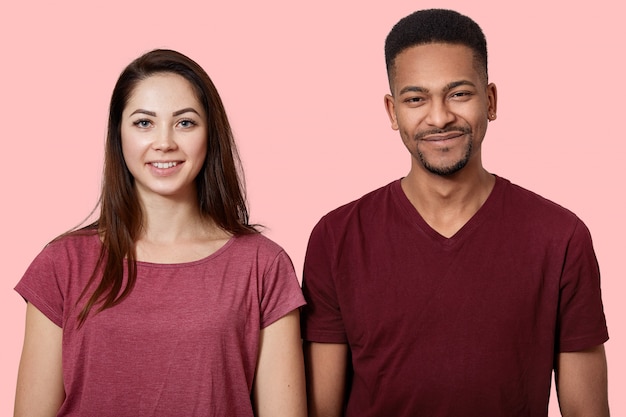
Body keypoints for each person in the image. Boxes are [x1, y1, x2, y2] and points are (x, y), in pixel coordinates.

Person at [300, 9, 609, 417]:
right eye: (416, 99)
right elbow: (322, 411)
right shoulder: (336, 237)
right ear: (393, 113)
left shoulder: (560, 237)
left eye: (459, 94)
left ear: (491, 101)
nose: (440, 116)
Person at [14, 49, 307, 417]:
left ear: (210, 134)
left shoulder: (263, 265)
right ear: (118, 134)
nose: (164, 142)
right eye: (143, 123)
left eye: (185, 123)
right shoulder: (62, 264)